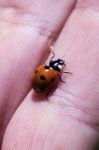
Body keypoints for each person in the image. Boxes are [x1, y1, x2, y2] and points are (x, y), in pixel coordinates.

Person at [1, 0, 99, 149]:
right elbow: (56, 78)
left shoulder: (48, 68)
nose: (60, 64)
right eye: (60, 65)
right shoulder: (53, 72)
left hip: (39, 88)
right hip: (40, 88)